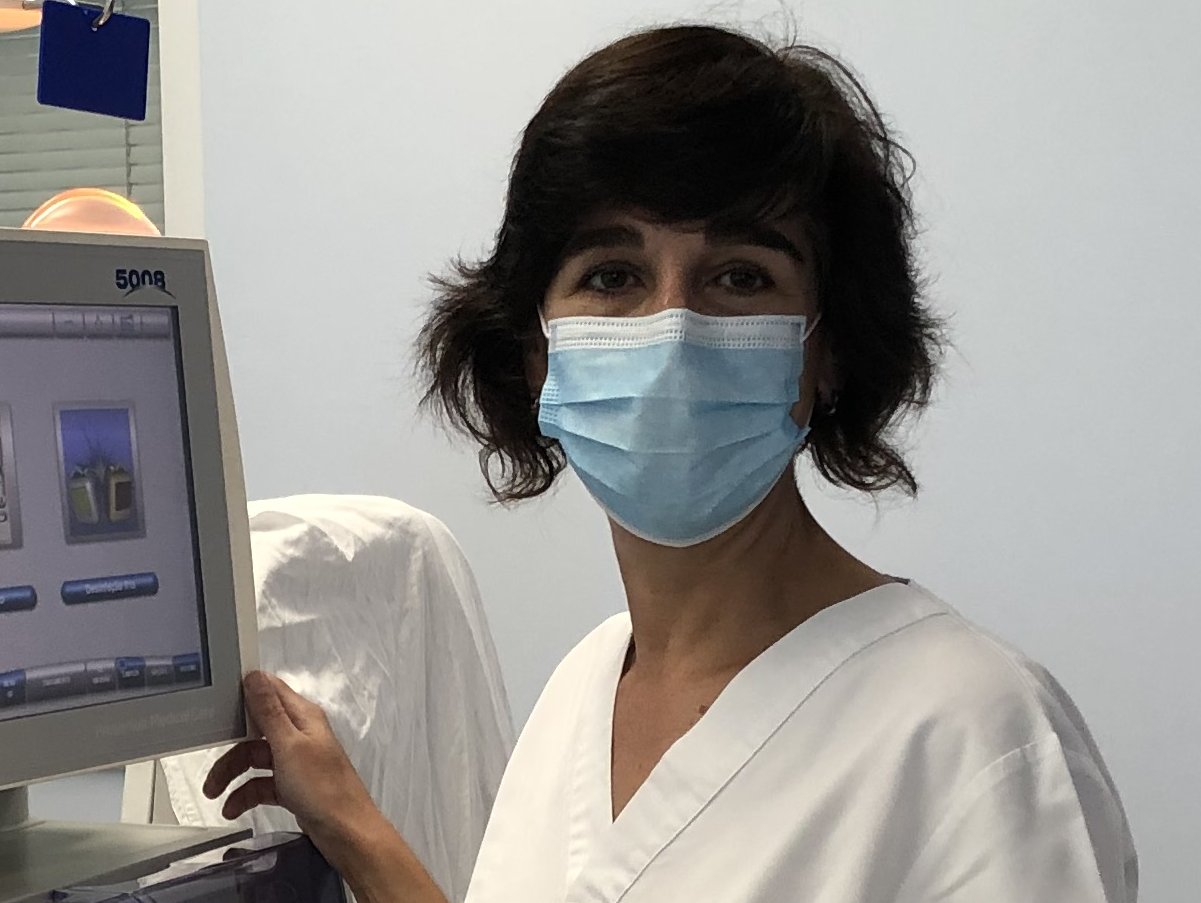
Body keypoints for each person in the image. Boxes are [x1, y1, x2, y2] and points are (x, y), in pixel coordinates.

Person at [204, 24, 1138, 903]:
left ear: (827, 348)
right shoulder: (583, 689)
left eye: (741, 276)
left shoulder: (977, 742)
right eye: (612, 276)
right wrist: (355, 826)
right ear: (535, 352)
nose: (672, 332)